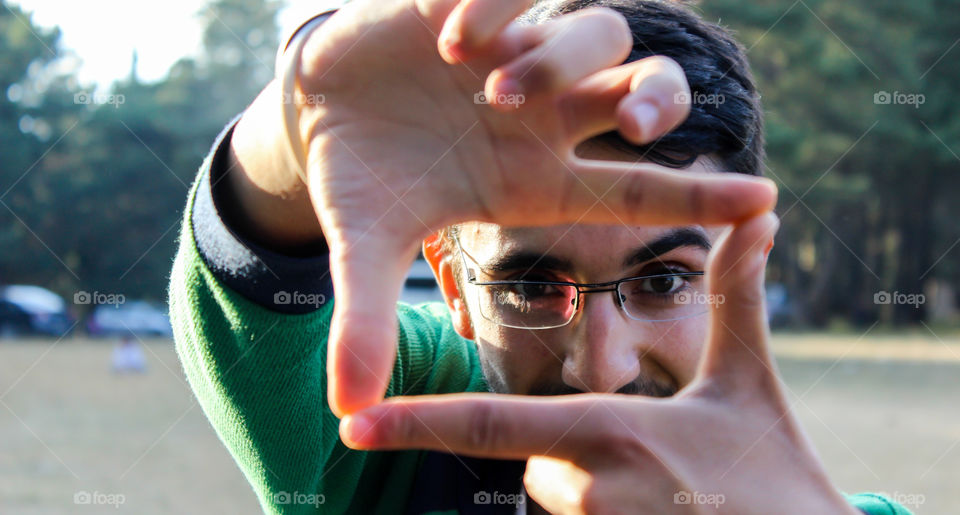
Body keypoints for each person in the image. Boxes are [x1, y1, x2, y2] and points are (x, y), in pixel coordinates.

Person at [169, 0, 911, 513]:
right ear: (455, 281)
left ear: (747, 268)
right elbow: (260, 292)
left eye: (663, 279)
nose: (601, 369)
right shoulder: (410, 420)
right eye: (529, 284)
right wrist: (302, 122)